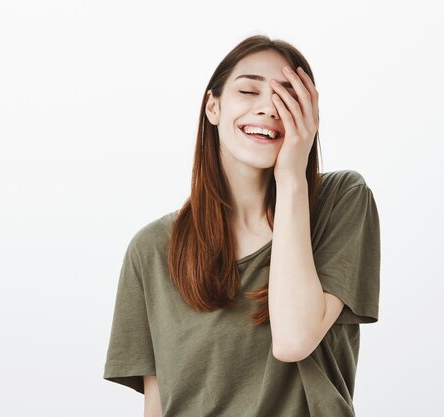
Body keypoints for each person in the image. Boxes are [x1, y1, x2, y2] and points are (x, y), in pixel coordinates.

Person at [102, 34, 380, 417]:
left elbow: (293, 339)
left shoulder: (341, 200)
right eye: (249, 91)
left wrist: (293, 179)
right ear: (212, 107)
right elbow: (159, 404)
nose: (269, 107)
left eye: (288, 96)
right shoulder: (152, 248)